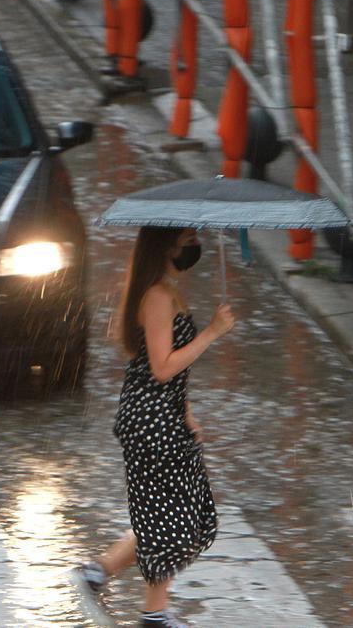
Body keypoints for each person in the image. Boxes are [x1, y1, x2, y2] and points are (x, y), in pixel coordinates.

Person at [72, 226, 235, 628]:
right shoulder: (158, 297)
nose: (193, 245)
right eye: (187, 239)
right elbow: (162, 368)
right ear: (166, 246)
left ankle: (99, 571)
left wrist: (187, 408)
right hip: (151, 422)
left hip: (165, 414)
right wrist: (213, 332)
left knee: (183, 515)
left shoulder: (164, 290)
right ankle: (154, 613)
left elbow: (156, 365)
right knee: (171, 518)